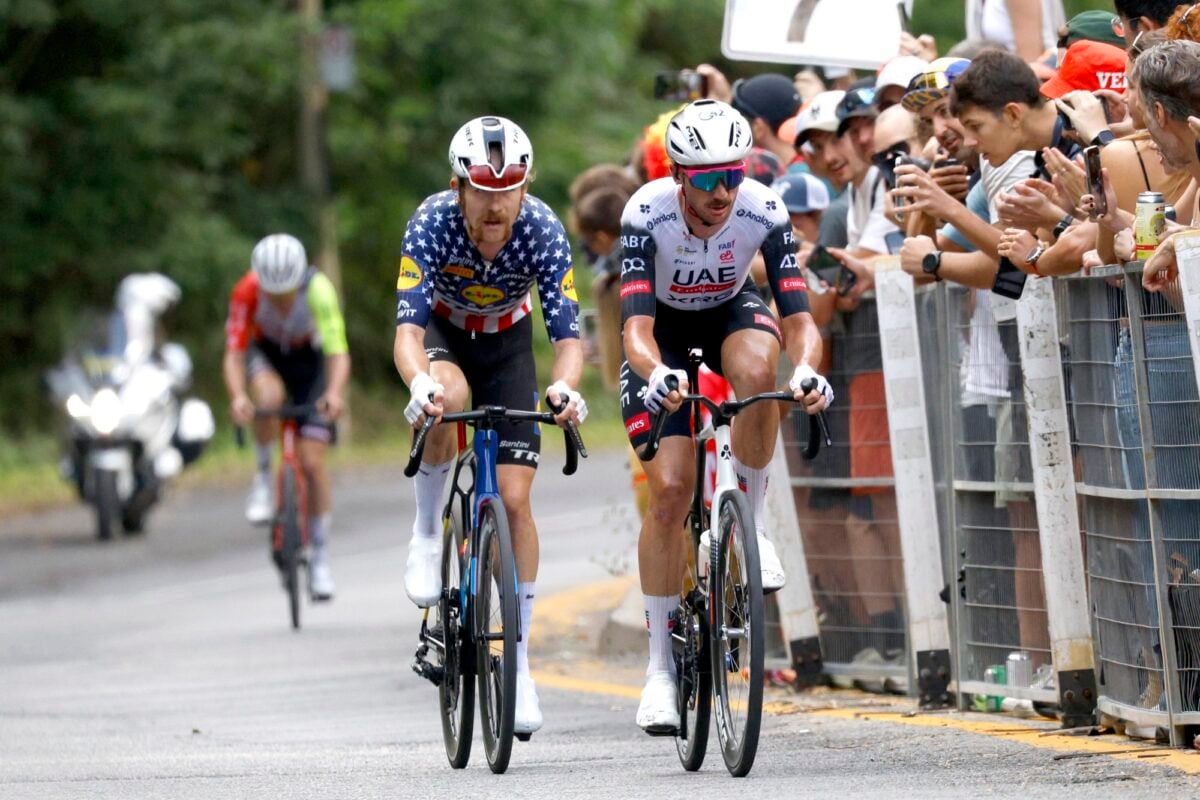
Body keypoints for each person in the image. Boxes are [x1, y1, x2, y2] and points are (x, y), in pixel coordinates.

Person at [618, 99, 831, 732]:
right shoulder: (645, 214)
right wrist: (655, 373)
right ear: (680, 175)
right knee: (671, 492)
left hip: (728, 312)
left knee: (761, 374)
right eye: (708, 179)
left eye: (733, 175)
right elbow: (634, 328)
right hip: (661, 328)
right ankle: (658, 670)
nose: (723, 192)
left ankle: (751, 523)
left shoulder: (763, 208)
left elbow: (798, 321)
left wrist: (809, 370)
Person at [393, 115, 586, 737]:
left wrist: (564, 388)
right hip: (446, 337)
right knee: (446, 397)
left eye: (509, 189)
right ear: (459, 188)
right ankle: (427, 533)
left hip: (507, 346)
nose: (497, 203)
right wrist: (419, 382)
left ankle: (520, 664)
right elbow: (407, 334)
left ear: (525, 189)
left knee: (515, 500)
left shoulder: (543, 229)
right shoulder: (431, 222)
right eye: (483, 188)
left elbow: (568, 336)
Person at [223, 234, 350, 601]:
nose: (279, 300)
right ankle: (263, 476)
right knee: (267, 397)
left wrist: (334, 395)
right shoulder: (246, 291)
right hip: (269, 358)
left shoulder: (319, 291)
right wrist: (237, 397)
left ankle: (321, 555)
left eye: (287, 292)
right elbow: (233, 353)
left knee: (312, 462)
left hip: (311, 365)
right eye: (272, 293)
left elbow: (338, 351)